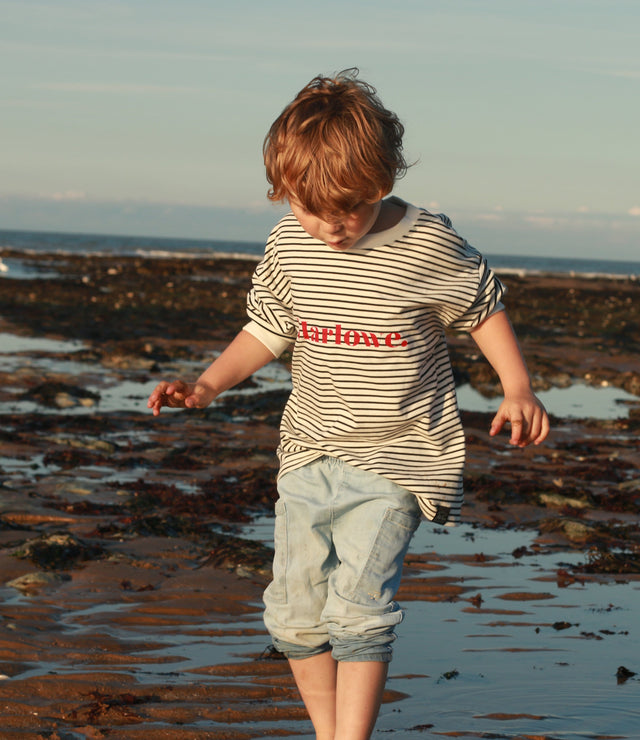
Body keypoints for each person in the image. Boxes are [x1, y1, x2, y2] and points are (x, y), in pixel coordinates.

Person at [148, 68, 549, 740]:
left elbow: (482, 308)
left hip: (399, 456)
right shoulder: (288, 243)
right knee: (295, 613)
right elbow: (267, 328)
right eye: (312, 211)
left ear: (382, 183)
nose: (331, 229)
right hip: (309, 449)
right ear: (283, 191)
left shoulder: (427, 243)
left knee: (359, 608)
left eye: (350, 211)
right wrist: (207, 385)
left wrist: (517, 386)